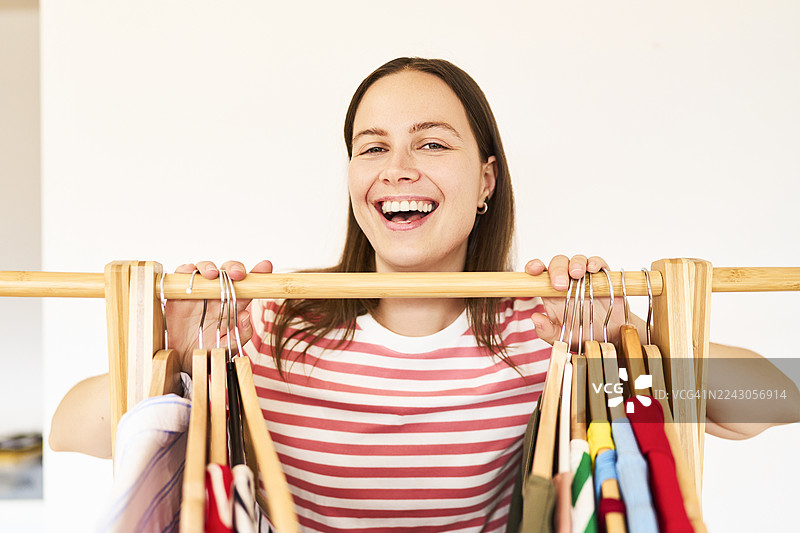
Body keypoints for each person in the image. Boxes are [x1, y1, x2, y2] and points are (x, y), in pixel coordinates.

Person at [51, 57, 799, 532]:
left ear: (485, 180)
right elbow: (69, 426)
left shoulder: (540, 331)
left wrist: (628, 341)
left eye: (432, 143)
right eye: (372, 146)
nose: (397, 167)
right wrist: (176, 353)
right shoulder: (272, 324)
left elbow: (778, 395)